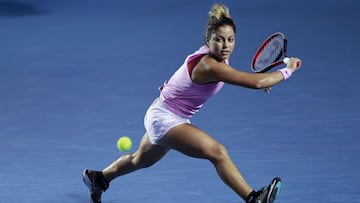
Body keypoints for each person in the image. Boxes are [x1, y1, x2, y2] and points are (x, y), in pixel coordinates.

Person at [83, 3, 301, 203]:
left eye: (231, 39)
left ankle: (99, 178)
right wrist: (288, 70)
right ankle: (254, 198)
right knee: (218, 152)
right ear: (208, 40)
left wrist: (262, 80)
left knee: (139, 160)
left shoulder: (216, 59)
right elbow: (255, 82)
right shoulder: (210, 65)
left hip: (161, 111)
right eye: (219, 39)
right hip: (165, 118)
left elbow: (250, 79)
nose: (225, 45)